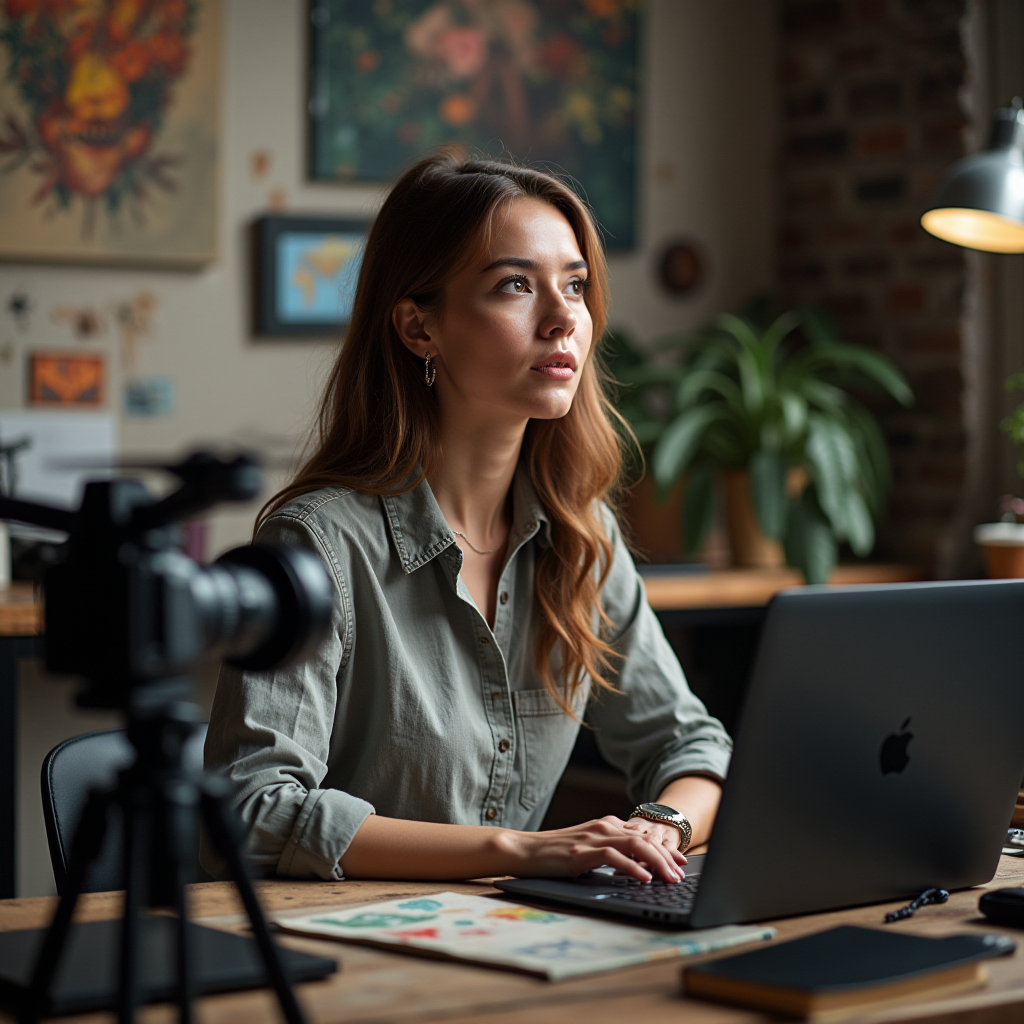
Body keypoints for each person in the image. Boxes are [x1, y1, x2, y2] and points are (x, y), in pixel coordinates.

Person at [203, 152, 732, 885]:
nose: (563, 318)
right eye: (515, 285)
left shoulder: (583, 538)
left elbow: (691, 746)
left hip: (508, 936)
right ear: (419, 328)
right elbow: (254, 808)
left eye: (574, 286)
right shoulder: (318, 544)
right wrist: (520, 852)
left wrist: (660, 826)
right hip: (336, 950)